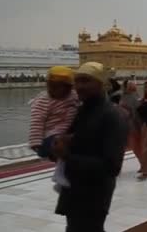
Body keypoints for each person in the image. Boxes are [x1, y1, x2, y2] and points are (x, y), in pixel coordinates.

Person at [54, 62, 127, 232]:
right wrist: (58, 146)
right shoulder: (83, 111)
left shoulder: (112, 116)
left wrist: (67, 157)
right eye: (77, 81)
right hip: (76, 188)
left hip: (94, 194)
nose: (79, 87)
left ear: (101, 83)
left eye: (86, 81)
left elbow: (112, 166)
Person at [29, 66, 79, 192]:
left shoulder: (72, 96)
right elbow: (37, 121)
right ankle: (60, 177)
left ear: (68, 87)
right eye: (53, 86)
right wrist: (35, 142)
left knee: (66, 155)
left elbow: (80, 105)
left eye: (61, 87)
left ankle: (61, 178)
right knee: (63, 148)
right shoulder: (43, 100)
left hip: (64, 133)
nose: (57, 90)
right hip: (51, 136)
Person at [120, 80, 142, 170]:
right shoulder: (124, 96)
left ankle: (143, 164)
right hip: (124, 124)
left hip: (132, 125)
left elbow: (137, 111)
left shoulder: (135, 97)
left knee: (136, 146)